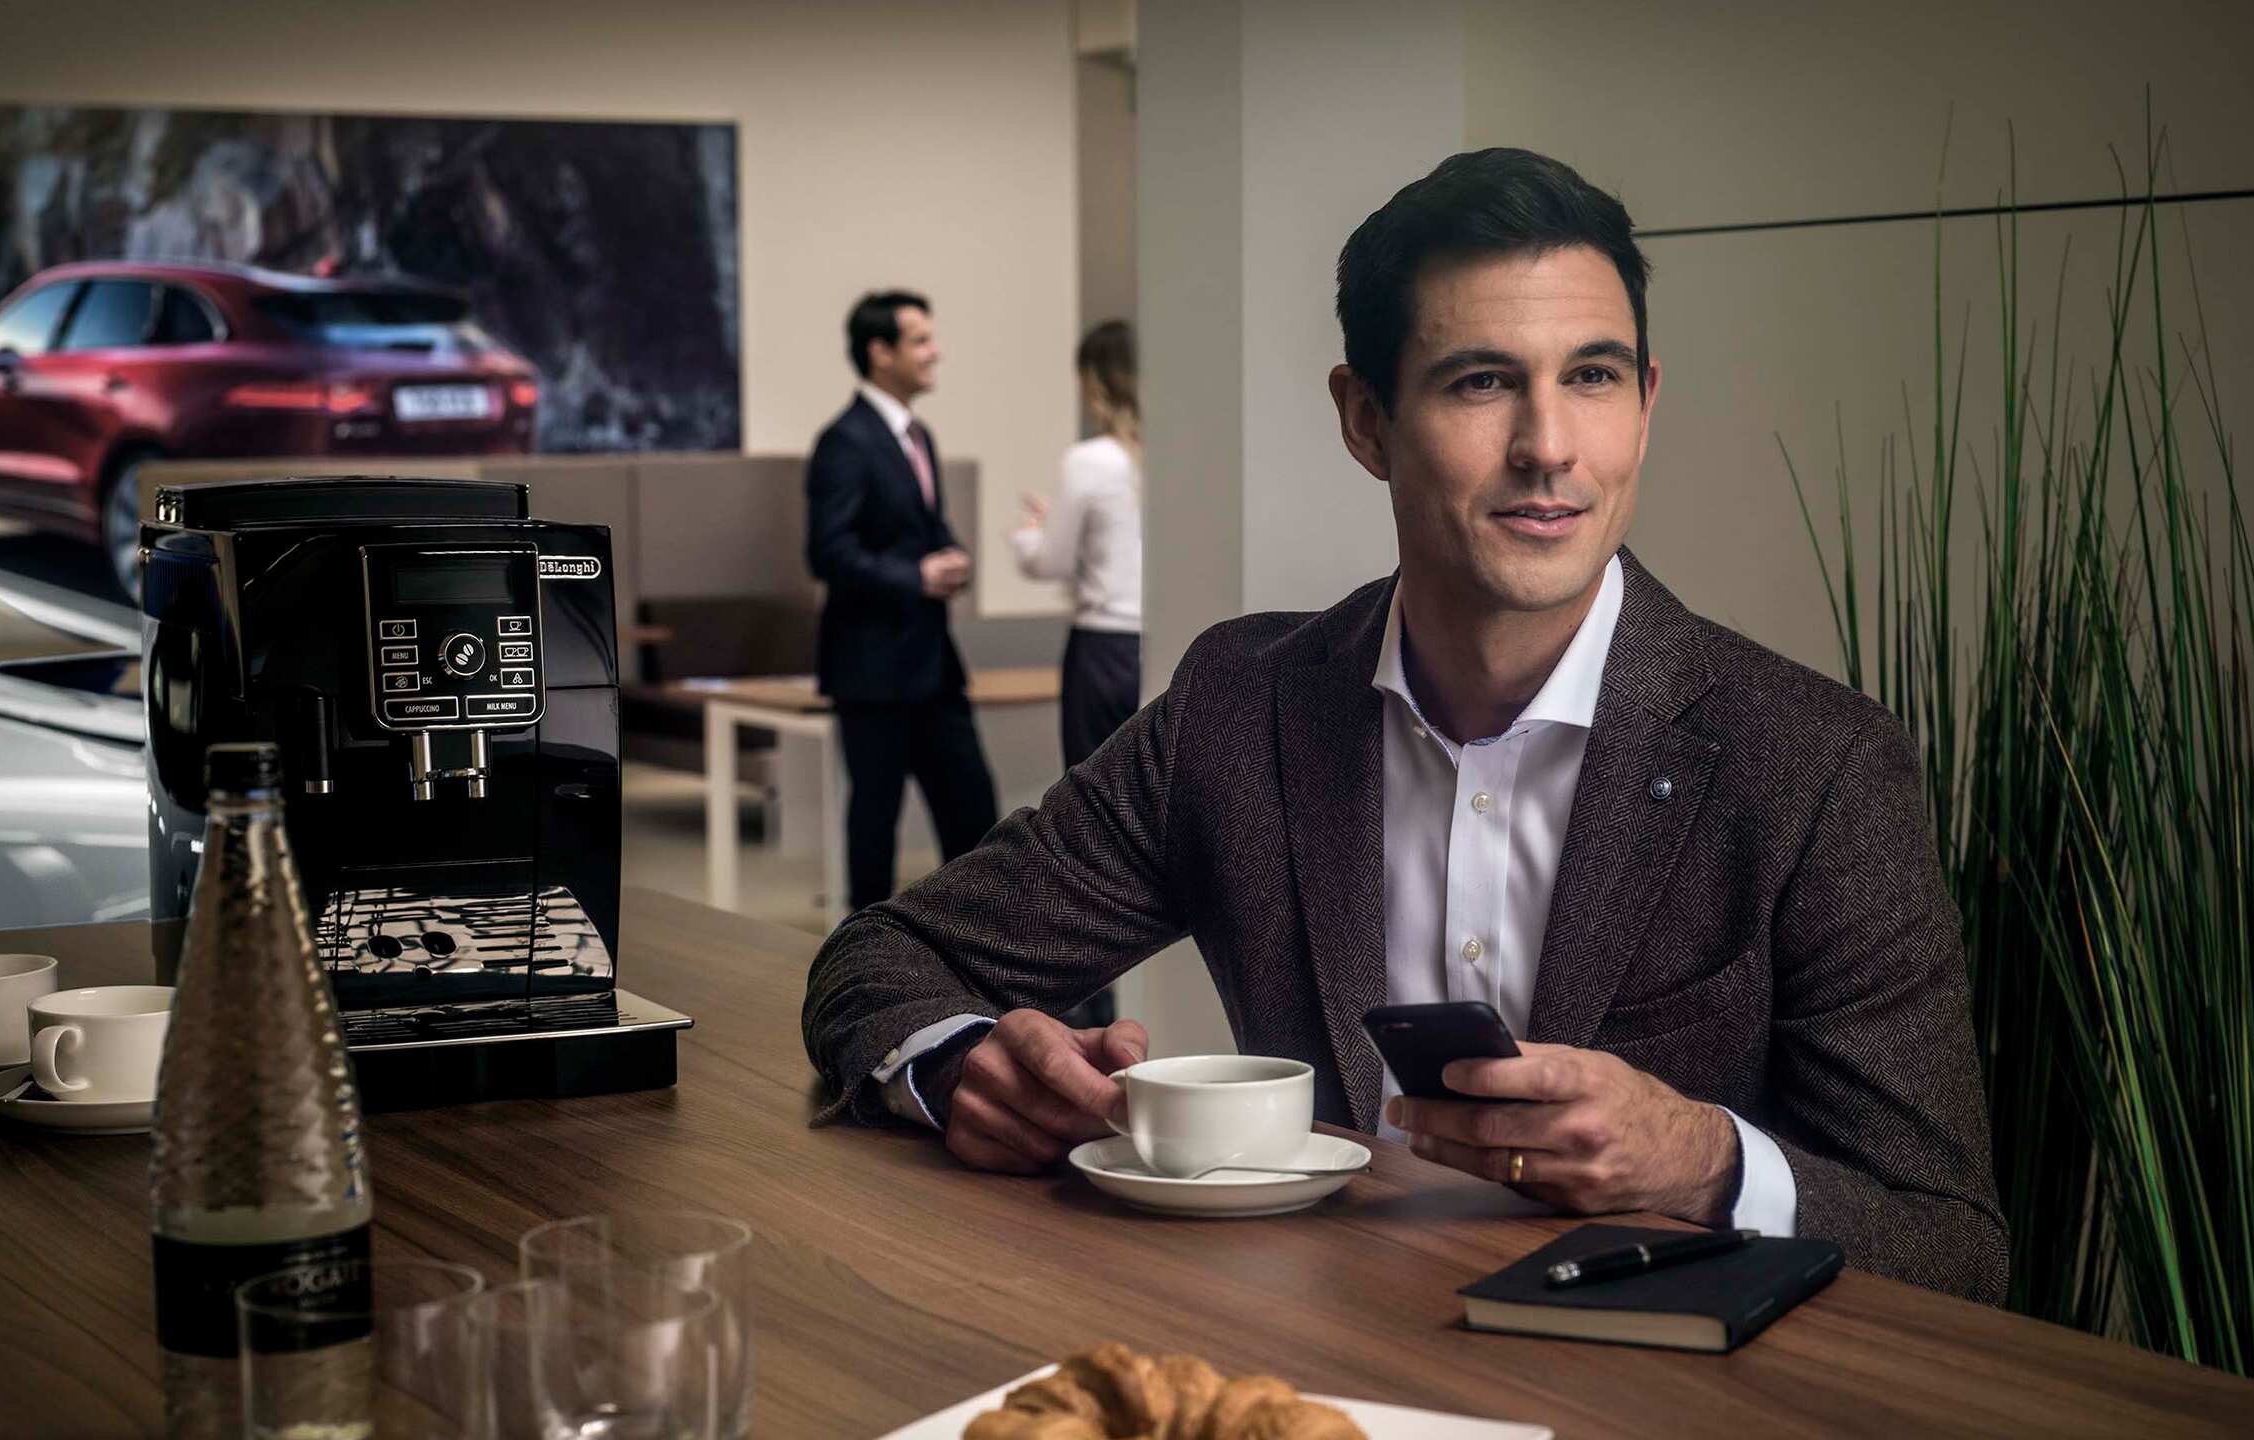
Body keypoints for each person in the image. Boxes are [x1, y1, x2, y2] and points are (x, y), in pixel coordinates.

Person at [801, 152, 2006, 1302]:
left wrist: (1700, 1159)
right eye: (1481, 382)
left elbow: (1950, 1239)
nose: (1548, 448)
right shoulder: (1242, 703)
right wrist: (960, 1070)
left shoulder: (1814, 764)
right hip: (1314, 1368)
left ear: (1644, 403)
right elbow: (880, 960)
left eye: (1590, 376)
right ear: (1365, 420)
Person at [803, 289, 999, 910]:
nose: (935, 352)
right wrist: (915, 575)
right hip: (872, 670)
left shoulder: (920, 436)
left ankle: (977, 951)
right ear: (879, 352)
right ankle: (867, 967)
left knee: (975, 818)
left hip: (933, 666)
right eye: (920, 340)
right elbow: (827, 552)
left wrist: (951, 552)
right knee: (875, 828)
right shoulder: (845, 440)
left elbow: (917, 527)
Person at [1011, 319, 1144, 771]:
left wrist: (1030, 535)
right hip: (1164, 639)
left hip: (1102, 650)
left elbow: (1053, 561)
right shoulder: (1172, 454)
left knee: (1094, 800)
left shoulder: (1088, 460)